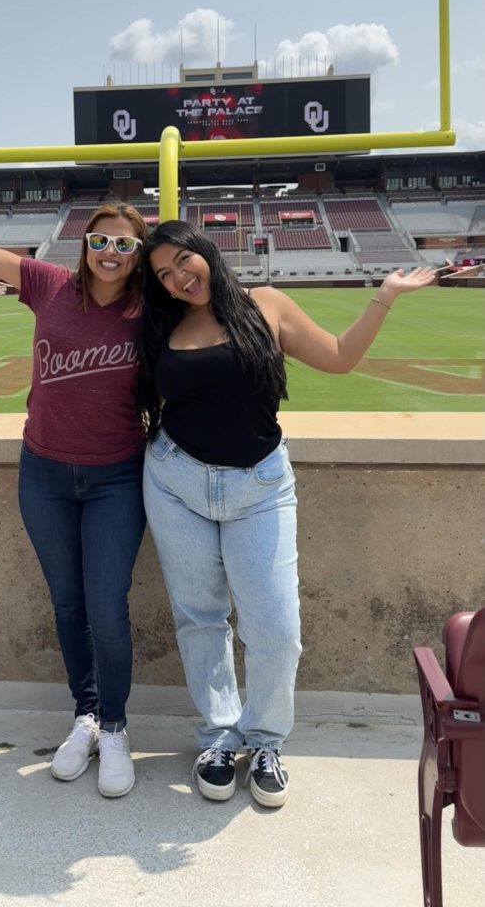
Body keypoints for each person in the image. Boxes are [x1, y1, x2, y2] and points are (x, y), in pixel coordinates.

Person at [137, 219, 436, 808]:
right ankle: (220, 735)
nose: (178, 279)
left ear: (205, 251)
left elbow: (341, 358)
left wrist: (385, 296)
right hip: (174, 481)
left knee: (275, 628)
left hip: (260, 485)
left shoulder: (265, 305)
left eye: (182, 262)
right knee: (200, 617)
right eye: (165, 275)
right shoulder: (163, 321)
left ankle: (266, 738)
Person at [0, 181, 147, 797]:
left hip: (117, 474)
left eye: (124, 243)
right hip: (42, 470)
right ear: (86, 244)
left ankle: (117, 728)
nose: (111, 252)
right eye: (101, 240)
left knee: (107, 608)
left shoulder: (151, 308)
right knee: (68, 603)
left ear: (139, 252)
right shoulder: (50, 286)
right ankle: (87, 716)